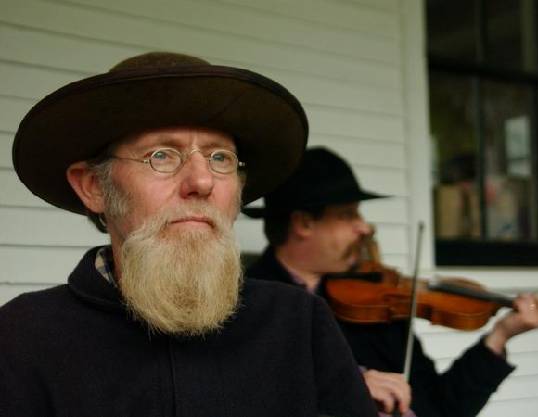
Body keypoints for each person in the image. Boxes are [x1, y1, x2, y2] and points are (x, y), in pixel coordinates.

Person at [0, 52, 378, 417]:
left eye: (220, 158)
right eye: (162, 155)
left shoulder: (298, 322)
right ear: (94, 187)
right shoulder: (25, 335)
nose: (202, 181)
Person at [244, 146, 538, 417]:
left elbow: (441, 407)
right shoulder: (248, 303)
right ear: (303, 223)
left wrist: (500, 336)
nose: (364, 228)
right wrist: (349, 385)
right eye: (347, 215)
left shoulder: (377, 301)